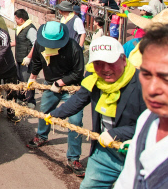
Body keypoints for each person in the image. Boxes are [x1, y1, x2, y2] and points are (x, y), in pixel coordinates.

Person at [45, 36, 146, 188]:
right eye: (98, 64)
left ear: (124, 60)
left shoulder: (144, 84)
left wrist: (117, 134)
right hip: (105, 152)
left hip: (137, 155)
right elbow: (79, 99)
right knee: (89, 186)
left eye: (110, 62)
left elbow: (153, 125)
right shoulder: (94, 79)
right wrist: (55, 114)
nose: (105, 69)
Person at [26, 21, 85, 177]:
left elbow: (78, 72)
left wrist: (61, 82)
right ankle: (41, 136)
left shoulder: (73, 47)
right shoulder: (39, 44)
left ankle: (73, 158)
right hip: (50, 85)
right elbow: (38, 61)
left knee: (75, 122)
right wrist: (32, 77)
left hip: (71, 88)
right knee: (44, 111)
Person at [113, 24, 168, 188]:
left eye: (165, 78)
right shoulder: (147, 119)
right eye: (146, 74)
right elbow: (127, 181)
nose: (151, 89)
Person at [11, 9, 37, 107]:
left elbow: (36, 44)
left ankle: (30, 100)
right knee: (20, 79)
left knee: (28, 80)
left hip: (26, 60)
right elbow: (20, 41)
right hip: (19, 58)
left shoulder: (30, 29)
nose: (15, 20)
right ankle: (21, 98)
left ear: (21, 19)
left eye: (16, 18)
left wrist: (29, 57)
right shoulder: (20, 28)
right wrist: (9, 45)